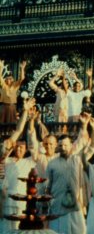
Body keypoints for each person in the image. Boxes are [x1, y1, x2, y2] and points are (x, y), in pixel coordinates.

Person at [46, 114, 94, 234]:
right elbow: (48, 187)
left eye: (66, 145)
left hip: (75, 205)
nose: (63, 147)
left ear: (71, 145)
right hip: (57, 205)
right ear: (58, 147)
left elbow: (93, 145)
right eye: (61, 145)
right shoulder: (52, 163)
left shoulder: (78, 159)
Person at [1, 98, 37, 231]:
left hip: (21, 202)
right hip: (4, 202)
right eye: (17, 147)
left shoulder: (28, 162)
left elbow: (18, 131)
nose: (18, 149)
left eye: (22, 147)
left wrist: (26, 112)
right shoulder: (5, 160)